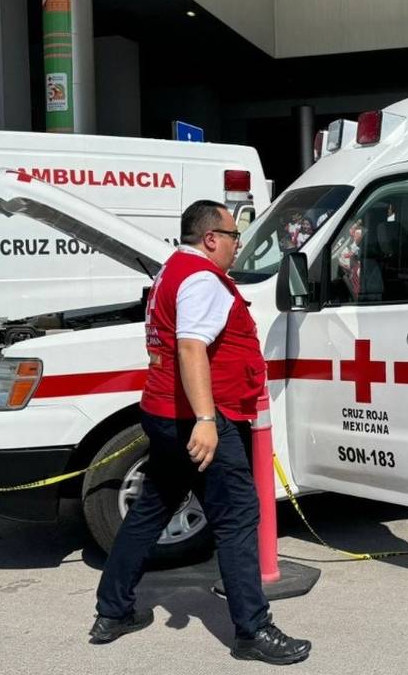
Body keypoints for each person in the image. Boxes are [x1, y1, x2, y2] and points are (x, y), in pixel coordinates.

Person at [89, 200, 311, 666]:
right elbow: (192, 348)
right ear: (211, 238)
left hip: (165, 413)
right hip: (199, 420)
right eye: (233, 237)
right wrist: (207, 422)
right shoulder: (201, 280)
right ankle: (253, 629)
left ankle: (113, 612)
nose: (237, 246)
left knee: (151, 510)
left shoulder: (171, 269)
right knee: (236, 519)